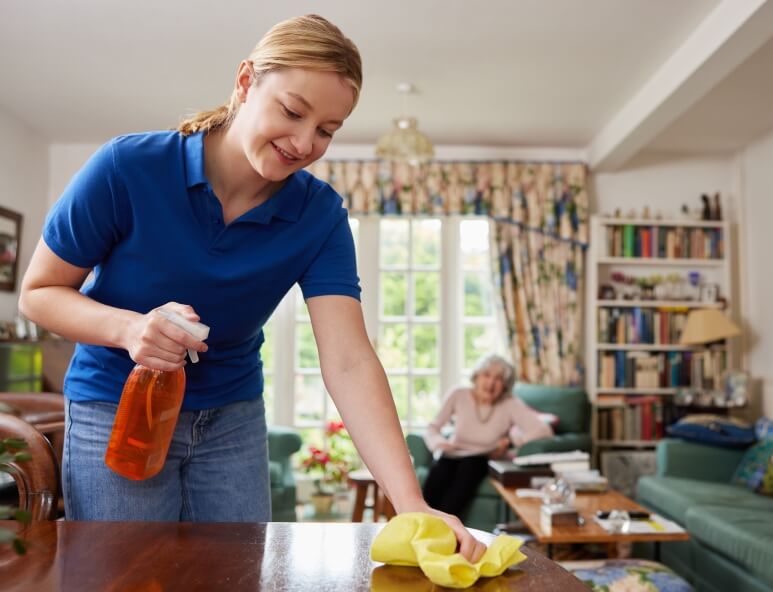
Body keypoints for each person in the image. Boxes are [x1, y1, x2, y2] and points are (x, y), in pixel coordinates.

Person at [18, 14, 486, 561]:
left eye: (328, 130)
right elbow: (39, 292)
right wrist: (128, 327)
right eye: (292, 111)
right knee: (127, 580)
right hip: (116, 410)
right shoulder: (129, 168)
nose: (305, 142)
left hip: (231, 420)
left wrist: (411, 504)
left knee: (235, 581)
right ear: (245, 82)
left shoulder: (319, 215)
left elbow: (349, 360)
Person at [422, 354, 554, 516]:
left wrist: (511, 442)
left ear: (505, 385)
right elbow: (433, 427)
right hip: (453, 453)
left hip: (482, 458)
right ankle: (420, 523)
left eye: (498, 379)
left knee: (469, 468)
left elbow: (542, 430)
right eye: (486, 375)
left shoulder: (510, 403)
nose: (491, 383)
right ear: (476, 377)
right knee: (440, 471)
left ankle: (446, 528)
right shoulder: (458, 394)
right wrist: (439, 442)